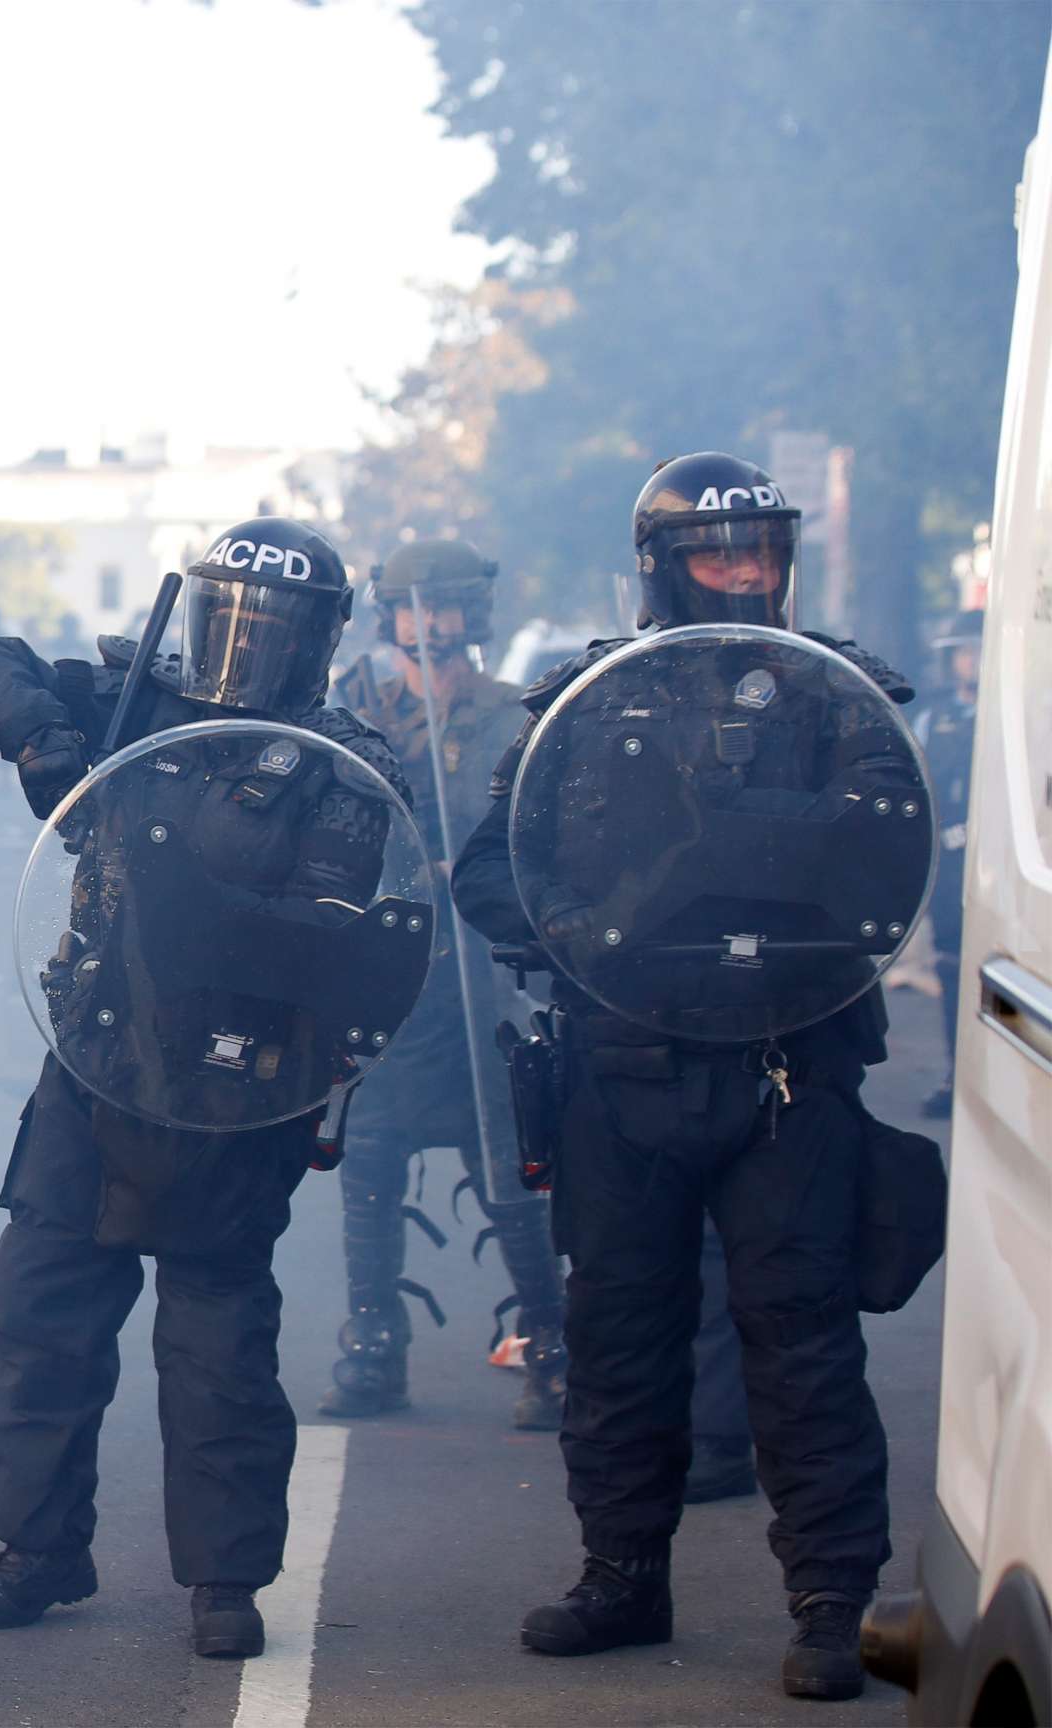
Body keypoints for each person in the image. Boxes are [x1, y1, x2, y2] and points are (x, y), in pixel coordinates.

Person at [453, 453, 908, 1701]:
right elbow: (489, 872)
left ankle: (827, 1602)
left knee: (802, 1343)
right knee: (618, 1339)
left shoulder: (841, 698)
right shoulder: (584, 701)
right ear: (665, 563)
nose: (749, 571)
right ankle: (620, 1574)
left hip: (782, 1067)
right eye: (721, 552)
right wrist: (600, 937)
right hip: (623, 1065)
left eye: (764, 548)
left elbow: (889, 852)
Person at [0, 517, 408, 1660]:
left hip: (232, 1092)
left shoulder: (342, 769)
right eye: (231, 616)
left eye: (277, 628)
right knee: (41, 1318)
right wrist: (49, 735)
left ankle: (225, 1581)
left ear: (320, 642)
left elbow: (326, 942)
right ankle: (38, 1549)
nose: (247, 646)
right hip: (93, 1064)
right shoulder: (135, 702)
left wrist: (177, 878)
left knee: (217, 1349)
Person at [320, 539, 565, 1429]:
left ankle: (550, 1345)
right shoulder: (350, 714)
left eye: (448, 608)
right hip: (390, 977)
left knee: (507, 1168)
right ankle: (374, 1349)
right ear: (392, 617)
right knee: (372, 1163)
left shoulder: (514, 716)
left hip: (484, 979)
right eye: (417, 610)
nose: (432, 626)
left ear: (474, 614)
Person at [915, 609, 981, 1119]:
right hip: (948, 870)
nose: (971, 660)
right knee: (952, 971)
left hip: (993, 870)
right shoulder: (933, 718)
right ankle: (958, 1074)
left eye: (979, 649)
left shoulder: (1021, 716)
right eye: (964, 650)